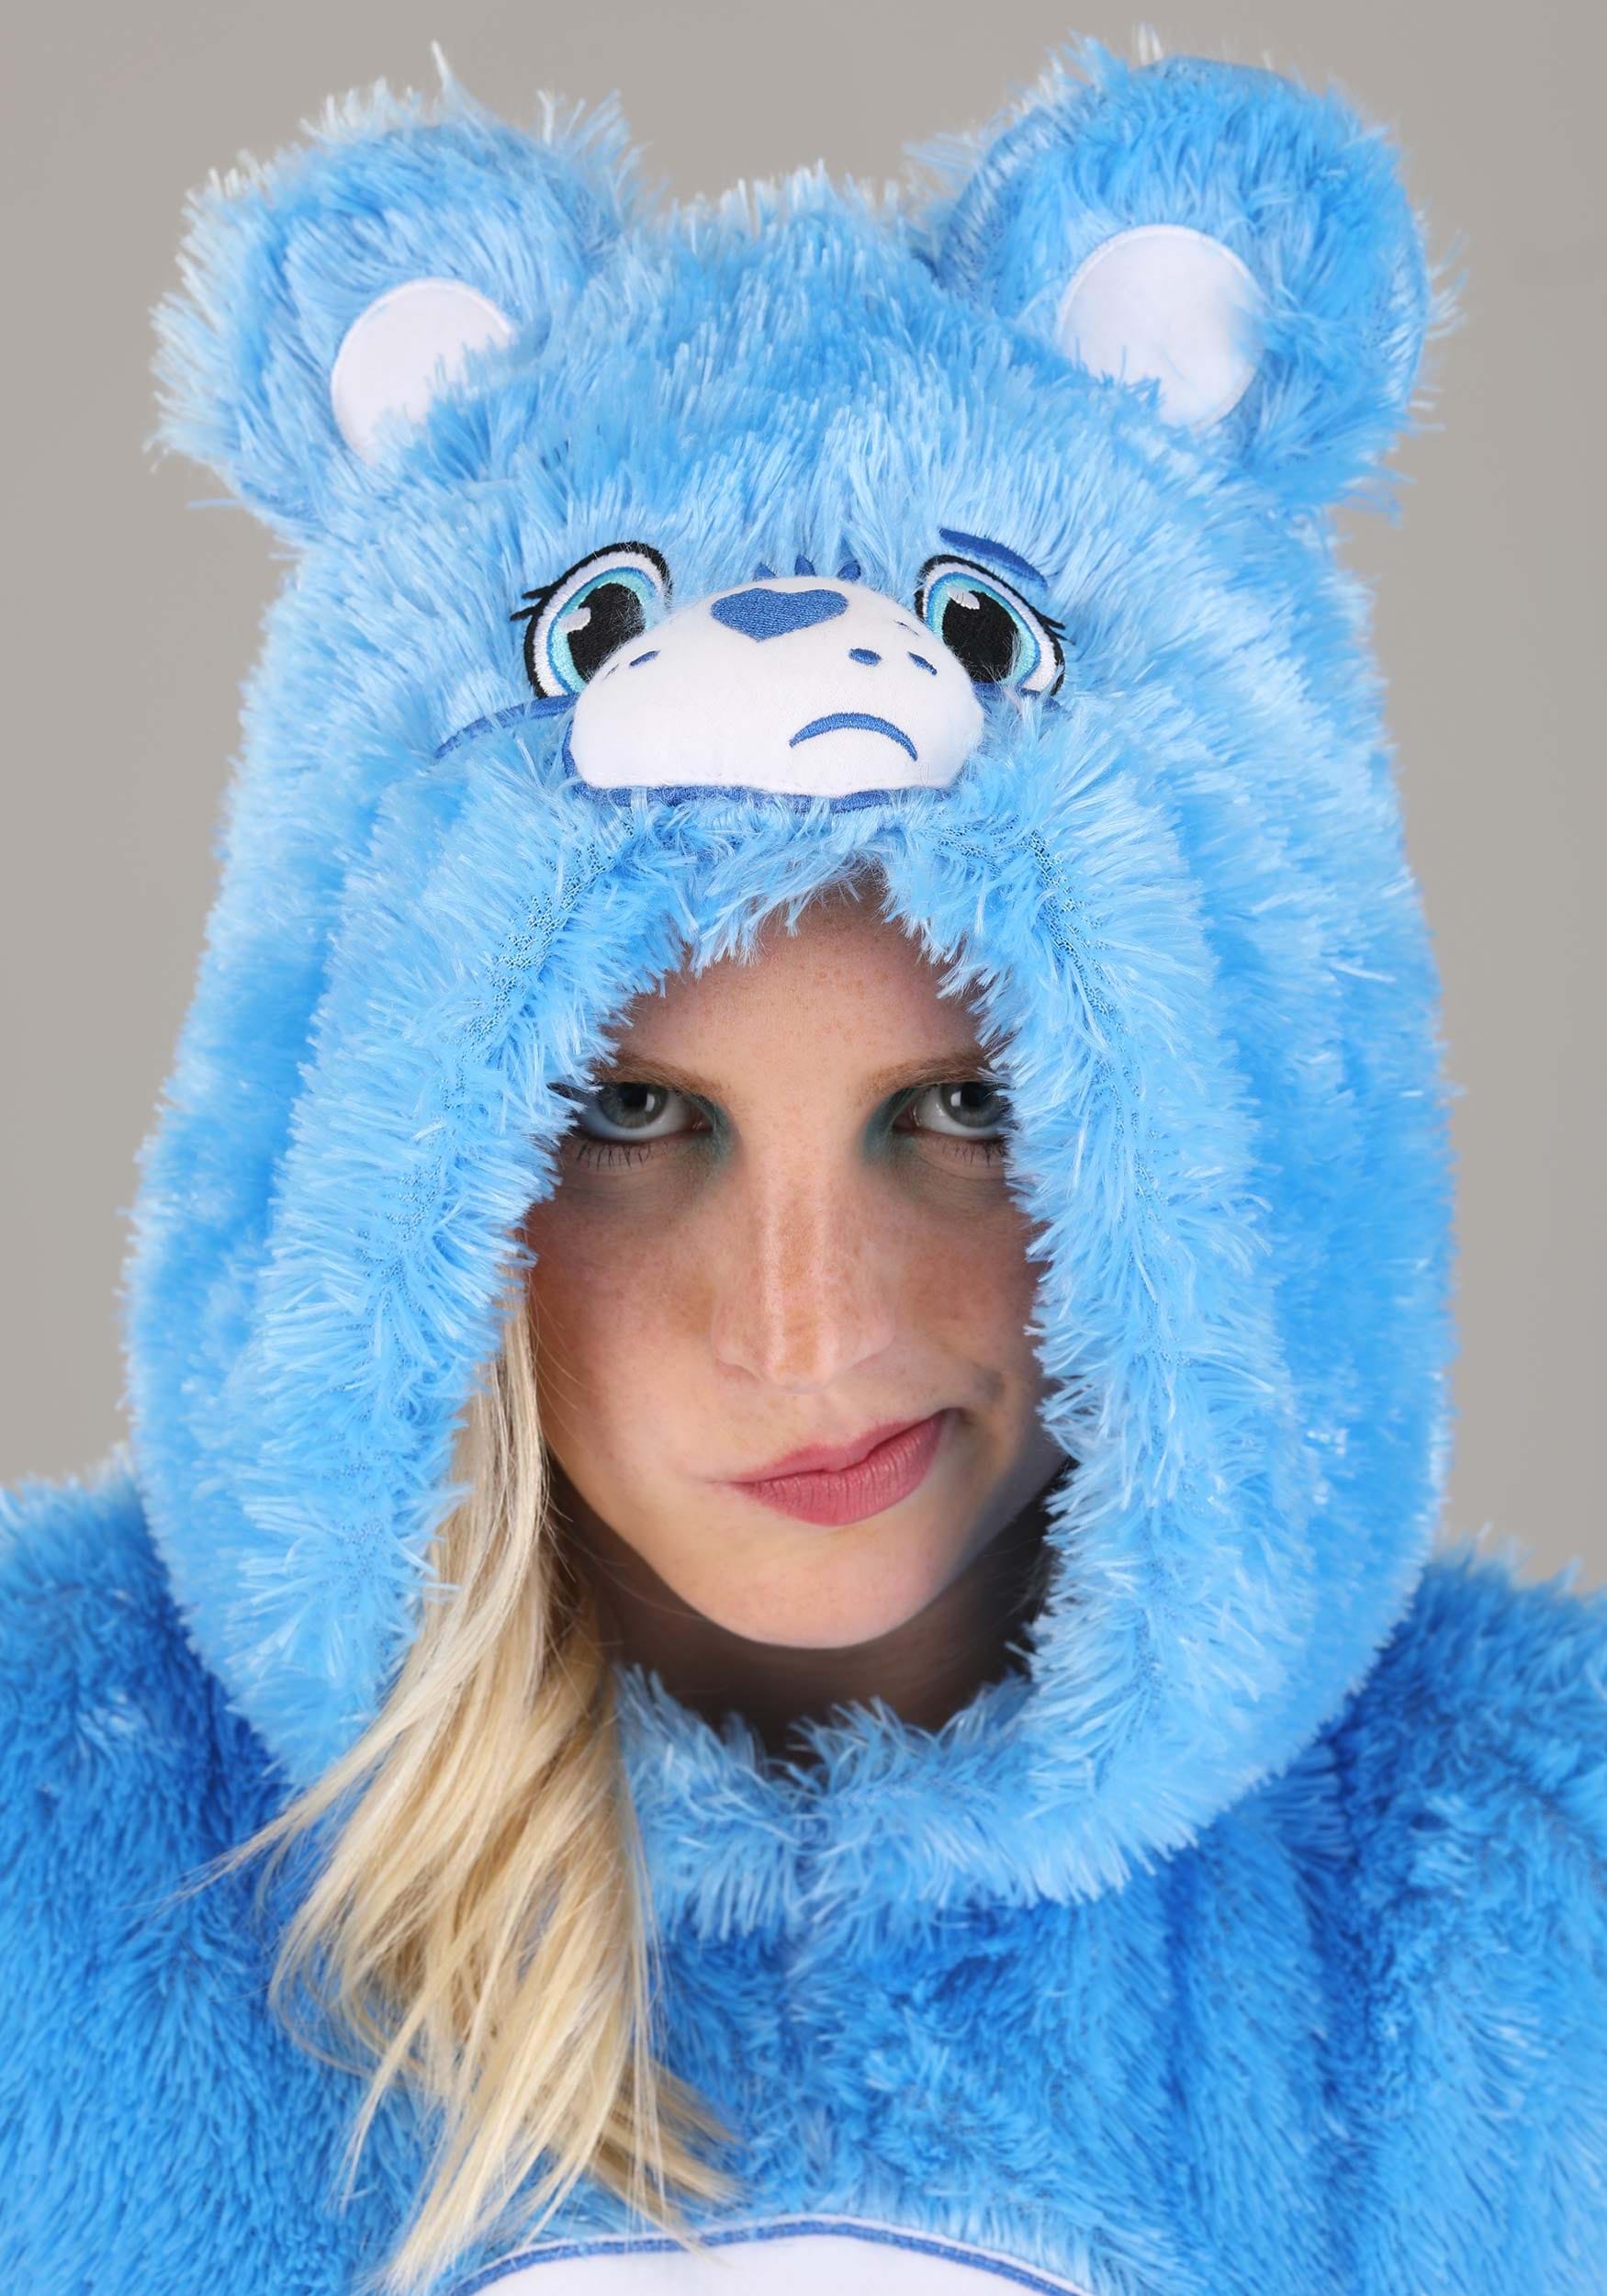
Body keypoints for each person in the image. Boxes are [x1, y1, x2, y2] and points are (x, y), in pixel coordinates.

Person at [3, 31, 1604, 2296]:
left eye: (956, 1109)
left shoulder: (1523, 1915)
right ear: (400, 1145)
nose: (810, 1325)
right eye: (633, 1116)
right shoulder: (51, 1850)